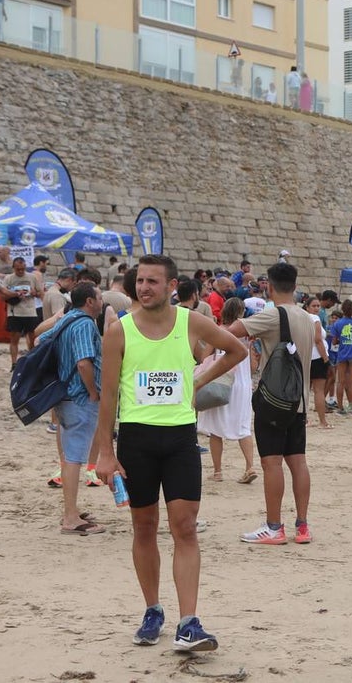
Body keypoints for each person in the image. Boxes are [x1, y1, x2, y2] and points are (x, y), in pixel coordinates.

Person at [92, 254, 246, 651]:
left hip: (179, 439)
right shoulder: (118, 331)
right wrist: (105, 454)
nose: (144, 288)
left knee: (185, 527)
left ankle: (189, 622)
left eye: (152, 282)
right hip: (136, 439)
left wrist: (196, 382)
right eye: (140, 281)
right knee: (143, 527)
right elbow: (107, 396)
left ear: (172, 286)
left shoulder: (191, 322)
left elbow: (235, 351)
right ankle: (152, 610)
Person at [229, 262, 316, 546]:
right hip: (299, 402)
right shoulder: (306, 317)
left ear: (269, 285)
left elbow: (233, 330)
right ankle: (302, 526)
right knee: (298, 462)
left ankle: (274, 526)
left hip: (274, 401)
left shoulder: (273, 315)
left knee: (271, 463)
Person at [50, 281, 106, 535]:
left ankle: (70, 509)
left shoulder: (67, 319)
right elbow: (84, 363)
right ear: (90, 301)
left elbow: (41, 337)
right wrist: (94, 392)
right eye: (100, 297)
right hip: (79, 398)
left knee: (68, 456)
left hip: (63, 395)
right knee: (74, 458)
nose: (103, 301)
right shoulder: (83, 323)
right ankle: (71, 518)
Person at [197, 298, 257, 485]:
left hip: (221, 381)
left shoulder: (218, 332)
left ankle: (217, 471)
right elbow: (254, 366)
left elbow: (204, 357)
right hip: (242, 384)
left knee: (216, 429)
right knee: (243, 426)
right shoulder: (247, 336)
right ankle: (249, 466)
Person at [0, 256, 43, 365]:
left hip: (30, 312)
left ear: (25, 267)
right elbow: (2, 296)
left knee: (32, 339)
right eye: (18, 269)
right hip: (14, 313)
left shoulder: (32, 277)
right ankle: (14, 363)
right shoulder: (8, 279)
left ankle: (32, 361)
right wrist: (14, 294)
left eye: (23, 269)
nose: (20, 271)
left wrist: (34, 293)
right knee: (14, 340)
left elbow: (41, 293)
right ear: (13, 268)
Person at [328, 300, 352, 417]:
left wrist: (340, 340)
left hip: (342, 354)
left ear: (342, 309)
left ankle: (340, 408)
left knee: (340, 382)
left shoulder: (337, 324)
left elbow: (334, 341)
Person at [303, 296, 332, 430]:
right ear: (308, 307)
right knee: (319, 390)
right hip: (317, 357)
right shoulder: (315, 319)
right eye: (314, 306)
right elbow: (318, 340)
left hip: (305, 356)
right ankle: (322, 421)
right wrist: (325, 358)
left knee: (304, 390)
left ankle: (304, 419)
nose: (316, 308)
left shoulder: (302, 318)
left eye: (318, 306)